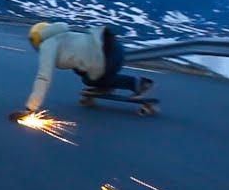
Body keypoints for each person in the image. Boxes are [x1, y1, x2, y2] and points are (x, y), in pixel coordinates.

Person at [9, 22, 153, 120]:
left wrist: (30, 108)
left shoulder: (48, 45)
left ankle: (138, 84)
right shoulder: (65, 34)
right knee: (83, 73)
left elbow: (43, 77)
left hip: (106, 58)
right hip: (114, 47)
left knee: (88, 77)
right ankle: (110, 85)